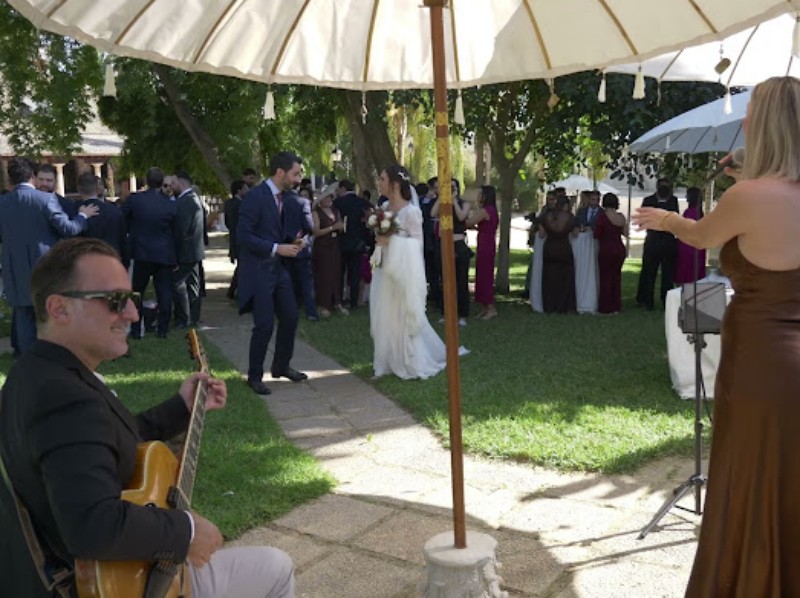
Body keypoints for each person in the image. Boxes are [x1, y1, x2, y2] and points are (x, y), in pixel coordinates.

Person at [0, 237, 295, 598]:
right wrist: (185, 531)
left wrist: (181, 406)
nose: (132, 314)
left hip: (116, 570)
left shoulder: (35, 374)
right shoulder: (63, 396)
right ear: (59, 308)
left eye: (131, 299)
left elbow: (106, 442)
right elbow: (93, 525)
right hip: (115, 583)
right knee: (277, 568)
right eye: (114, 301)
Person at [633, 76, 800, 597]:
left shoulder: (746, 195)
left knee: (749, 475)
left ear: (765, 124)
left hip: (758, 359)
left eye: (751, 113)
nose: (743, 120)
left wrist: (665, 218)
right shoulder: (757, 190)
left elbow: (701, 235)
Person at [0, 158, 98, 354]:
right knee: (50, 313)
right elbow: (68, 229)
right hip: (44, 266)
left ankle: (27, 359)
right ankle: (51, 356)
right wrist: (83, 216)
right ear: (33, 176)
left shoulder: (3, 203)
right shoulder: (45, 199)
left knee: (23, 315)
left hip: (14, 266)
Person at [237, 151, 308, 395]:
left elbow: (278, 231)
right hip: (258, 271)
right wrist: (277, 248)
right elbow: (243, 236)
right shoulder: (255, 197)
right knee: (264, 325)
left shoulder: (286, 198)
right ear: (280, 172)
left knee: (290, 316)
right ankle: (254, 376)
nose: (298, 179)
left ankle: (281, 366)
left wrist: (295, 241)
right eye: (295, 174)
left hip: (279, 270)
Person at [370, 165, 447, 379]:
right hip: (385, 268)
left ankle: (409, 360)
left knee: (403, 315)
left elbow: (417, 244)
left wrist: (391, 241)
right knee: (385, 313)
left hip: (404, 270)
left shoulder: (411, 212)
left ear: (394, 184)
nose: (379, 182)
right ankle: (387, 360)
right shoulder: (384, 207)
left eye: (382, 179)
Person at [122, 167, 177, 339]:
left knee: (138, 291)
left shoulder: (135, 200)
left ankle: (136, 329)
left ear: (146, 181)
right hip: (164, 252)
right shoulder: (170, 204)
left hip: (142, 251)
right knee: (164, 292)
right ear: (161, 183)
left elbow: (123, 217)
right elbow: (175, 229)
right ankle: (163, 329)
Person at [431, 179, 471, 325]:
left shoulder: (464, 204)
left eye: (453, 187)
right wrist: (442, 196)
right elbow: (432, 213)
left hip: (458, 243)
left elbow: (461, 216)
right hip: (444, 243)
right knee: (445, 279)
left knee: (461, 280)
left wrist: (453, 200)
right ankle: (446, 312)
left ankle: (462, 314)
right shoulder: (443, 203)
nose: (450, 189)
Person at [636, 177, 679, 310]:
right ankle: (646, 300)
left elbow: (675, 219)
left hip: (668, 243)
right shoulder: (648, 201)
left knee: (667, 275)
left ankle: (666, 301)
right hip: (652, 241)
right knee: (649, 272)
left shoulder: (673, 201)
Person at [171, 171, 206, 328]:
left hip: (186, 252)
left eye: (174, 183)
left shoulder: (186, 202)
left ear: (181, 183)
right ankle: (193, 317)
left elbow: (182, 231)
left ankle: (183, 319)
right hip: (194, 251)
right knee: (193, 286)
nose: (172, 187)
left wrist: (176, 256)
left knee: (178, 284)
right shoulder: (192, 199)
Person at [76, 171, 130, 269]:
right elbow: (123, 241)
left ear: (79, 189)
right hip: (113, 260)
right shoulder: (114, 211)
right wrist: (125, 265)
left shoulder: (75, 212)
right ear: (97, 189)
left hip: (87, 264)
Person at [333, 180, 372, 311]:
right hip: (358, 242)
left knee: (340, 272)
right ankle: (354, 301)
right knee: (355, 273)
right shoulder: (362, 202)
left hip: (341, 241)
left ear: (343, 188)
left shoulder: (338, 202)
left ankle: (339, 299)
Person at [311, 182, 347, 318]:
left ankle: (337, 302)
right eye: (325, 197)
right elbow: (316, 232)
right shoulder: (316, 213)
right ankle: (323, 304)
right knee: (324, 274)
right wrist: (332, 228)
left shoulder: (336, 211)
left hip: (335, 245)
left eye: (329, 197)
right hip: (322, 247)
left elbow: (340, 225)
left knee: (336, 273)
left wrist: (341, 227)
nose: (328, 199)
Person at [466, 185, 499, 320]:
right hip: (486, 242)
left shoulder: (485, 210)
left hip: (486, 244)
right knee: (482, 274)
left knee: (485, 275)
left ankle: (490, 308)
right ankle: (485, 307)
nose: (478, 196)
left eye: (480, 194)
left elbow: (469, 222)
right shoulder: (491, 210)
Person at [540, 196, 577, 314]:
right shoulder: (570, 217)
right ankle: (563, 306)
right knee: (565, 279)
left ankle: (550, 306)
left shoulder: (546, 216)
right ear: (565, 205)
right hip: (564, 248)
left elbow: (541, 234)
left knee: (549, 278)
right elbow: (575, 234)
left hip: (550, 248)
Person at [593, 192, 627, 314]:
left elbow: (596, 234)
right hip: (619, 248)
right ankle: (616, 306)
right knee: (616, 277)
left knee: (605, 278)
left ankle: (605, 307)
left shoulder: (602, 217)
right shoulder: (621, 217)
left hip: (606, 249)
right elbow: (626, 233)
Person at [674, 187, 707, 284]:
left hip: (687, 247)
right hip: (698, 247)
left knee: (686, 273)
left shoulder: (689, 212)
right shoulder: (700, 213)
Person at [224, 179, 247, 299]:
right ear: (239, 191)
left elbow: (227, 222)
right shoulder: (241, 204)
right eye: (244, 188)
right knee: (242, 266)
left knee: (241, 265)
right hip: (241, 239)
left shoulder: (228, 203)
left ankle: (234, 290)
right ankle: (234, 290)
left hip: (234, 237)